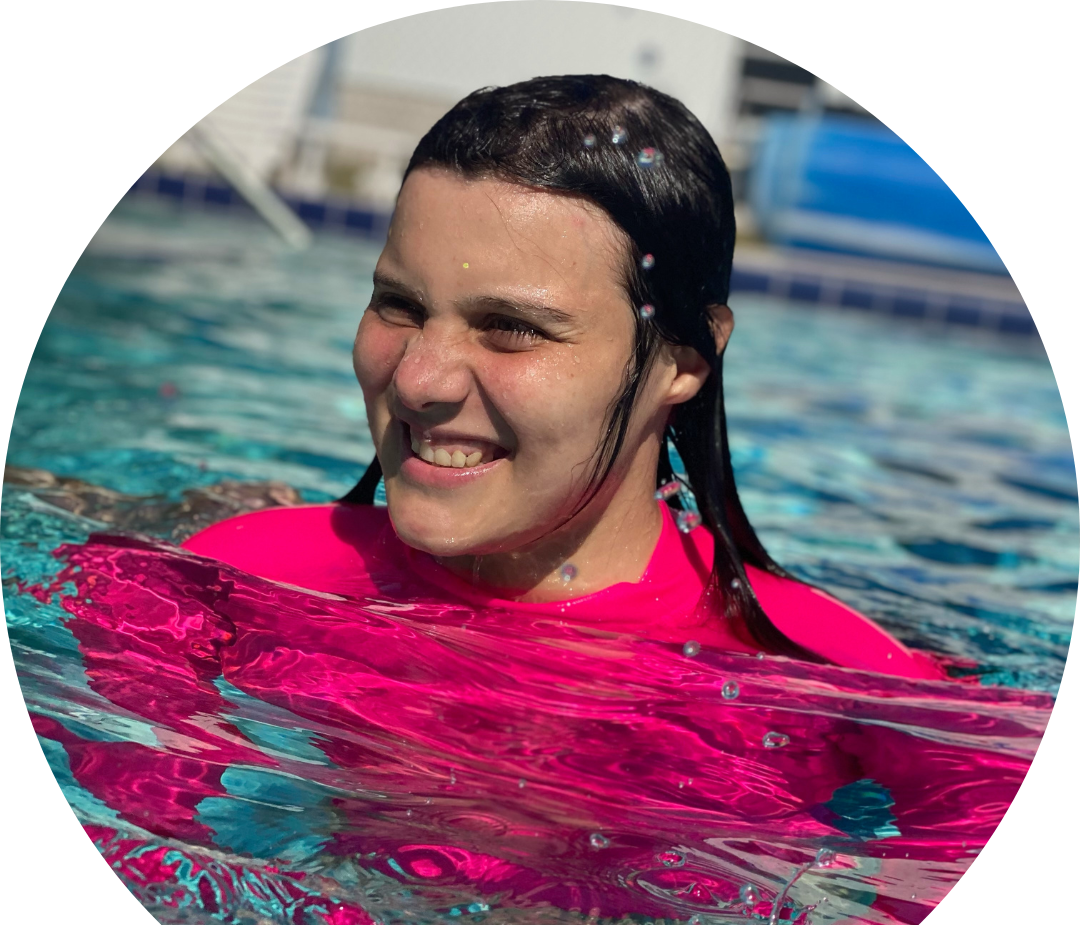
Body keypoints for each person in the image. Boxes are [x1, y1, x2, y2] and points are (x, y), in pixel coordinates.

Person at [182, 75, 944, 680]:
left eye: (511, 328)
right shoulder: (237, 583)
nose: (418, 380)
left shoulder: (830, 676)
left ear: (683, 361)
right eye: (399, 305)